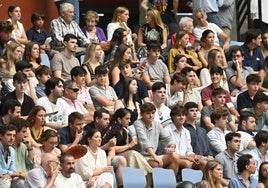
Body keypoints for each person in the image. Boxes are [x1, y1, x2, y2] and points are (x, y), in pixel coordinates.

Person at [101, 108, 152, 175]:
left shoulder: (125, 130)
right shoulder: (112, 129)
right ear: (119, 119)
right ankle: (147, 174)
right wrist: (129, 145)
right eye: (127, 119)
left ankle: (146, 175)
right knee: (132, 154)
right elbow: (111, 149)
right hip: (109, 156)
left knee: (134, 153)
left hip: (122, 154)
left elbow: (126, 147)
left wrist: (132, 143)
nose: (129, 121)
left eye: (130, 119)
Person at [83, 109, 127, 186]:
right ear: (97, 119)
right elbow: (91, 150)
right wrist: (108, 146)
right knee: (106, 172)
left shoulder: (109, 128)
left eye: (108, 119)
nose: (108, 121)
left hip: (105, 156)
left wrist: (109, 157)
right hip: (91, 159)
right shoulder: (88, 130)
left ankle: (120, 186)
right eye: (105, 119)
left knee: (121, 160)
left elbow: (113, 147)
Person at [134, 102, 180, 175]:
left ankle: (169, 184)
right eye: (148, 113)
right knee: (156, 164)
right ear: (141, 114)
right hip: (141, 158)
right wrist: (155, 157)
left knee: (175, 158)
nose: (151, 116)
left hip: (153, 156)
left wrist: (171, 146)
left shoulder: (157, 123)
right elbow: (145, 142)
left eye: (153, 113)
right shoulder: (137, 123)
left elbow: (167, 138)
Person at [165, 105, 207, 170]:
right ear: (173, 117)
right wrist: (187, 158)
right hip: (173, 159)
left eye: (183, 115)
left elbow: (189, 150)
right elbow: (170, 153)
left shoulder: (186, 132)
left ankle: (203, 180)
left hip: (186, 159)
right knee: (185, 163)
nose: (181, 117)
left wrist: (195, 156)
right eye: (179, 115)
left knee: (204, 163)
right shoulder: (167, 130)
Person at [11, 118, 34, 188]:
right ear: (15, 132)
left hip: (26, 177)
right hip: (13, 179)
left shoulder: (23, 146)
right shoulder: (6, 147)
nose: (26, 135)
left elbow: (30, 165)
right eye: (23, 132)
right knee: (21, 183)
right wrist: (20, 174)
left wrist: (29, 148)